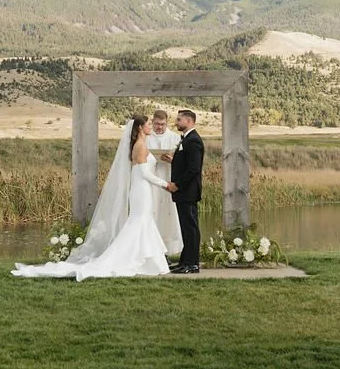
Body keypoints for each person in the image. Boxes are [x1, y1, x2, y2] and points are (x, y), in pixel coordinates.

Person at [12, 115, 171, 281]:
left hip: (142, 190)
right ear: (140, 128)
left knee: (143, 222)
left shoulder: (141, 145)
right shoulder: (140, 146)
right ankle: (130, 259)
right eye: (148, 124)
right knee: (139, 222)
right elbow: (144, 173)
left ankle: (148, 262)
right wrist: (165, 184)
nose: (151, 127)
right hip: (141, 190)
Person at [167, 110, 204, 274]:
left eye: (179, 119)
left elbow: (194, 169)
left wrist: (178, 185)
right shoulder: (186, 139)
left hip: (187, 192)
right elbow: (186, 163)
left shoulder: (193, 140)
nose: (176, 121)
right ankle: (185, 261)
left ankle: (192, 264)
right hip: (184, 192)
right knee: (186, 228)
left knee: (190, 228)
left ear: (189, 121)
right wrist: (173, 160)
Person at [146, 110, 183, 256]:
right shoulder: (147, 137)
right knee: (153, 209)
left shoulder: (174, 137)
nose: (159, 127)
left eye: (162, 124)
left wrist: (174, 160)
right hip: (153, 177)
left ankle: (170, 249)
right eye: (156, 124)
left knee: (169, 212)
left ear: (167, 123)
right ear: (152, 122)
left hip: (169, 176)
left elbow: (182, 160)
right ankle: (152, 248)